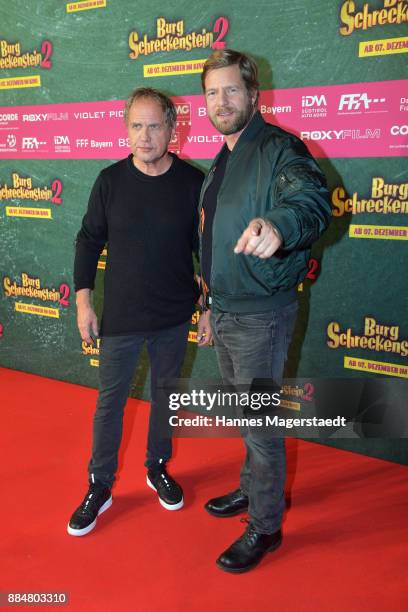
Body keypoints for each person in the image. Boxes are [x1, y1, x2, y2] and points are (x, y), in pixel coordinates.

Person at [197, 49, 331, 573]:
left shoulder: (279, 148)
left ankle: (266, 527)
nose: (222, 101)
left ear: (254, 96)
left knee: (259, 423)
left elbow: (310, 200)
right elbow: (211, 240)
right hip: (226, 309)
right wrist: (208, 303)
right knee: (243, 416)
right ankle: (252, 490)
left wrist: (279, 226)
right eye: (213, 92)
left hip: (261, 314)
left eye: (232, 90)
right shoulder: (222, 157)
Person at [68, 87, 204, 536]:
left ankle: (157, 467)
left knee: (167, 396)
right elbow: (88, 240)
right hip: (122, 316)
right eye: (136, 126)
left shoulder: (192, 183)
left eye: (154, 126)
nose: (144, 136)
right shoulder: (109, 181)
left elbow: (205, 251)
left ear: (171, 128)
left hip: (172, 313)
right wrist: (84, 300)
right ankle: (100, 484)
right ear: (126, 130)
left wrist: (209, 306)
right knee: (110, 404)